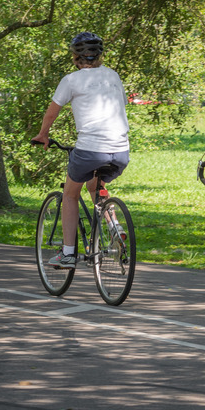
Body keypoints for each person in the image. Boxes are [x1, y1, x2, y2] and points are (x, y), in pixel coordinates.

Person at [32, 32, 130, 269]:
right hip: (120, 151)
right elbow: (121, 104)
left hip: (90, 150)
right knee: (95, 185)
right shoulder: (113, 76)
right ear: (100, 56)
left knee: (69, 193)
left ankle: (67, 254)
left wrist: (43, 135)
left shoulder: (71, 80)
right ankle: (114, 226)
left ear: (75, 57)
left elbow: (52, 111)